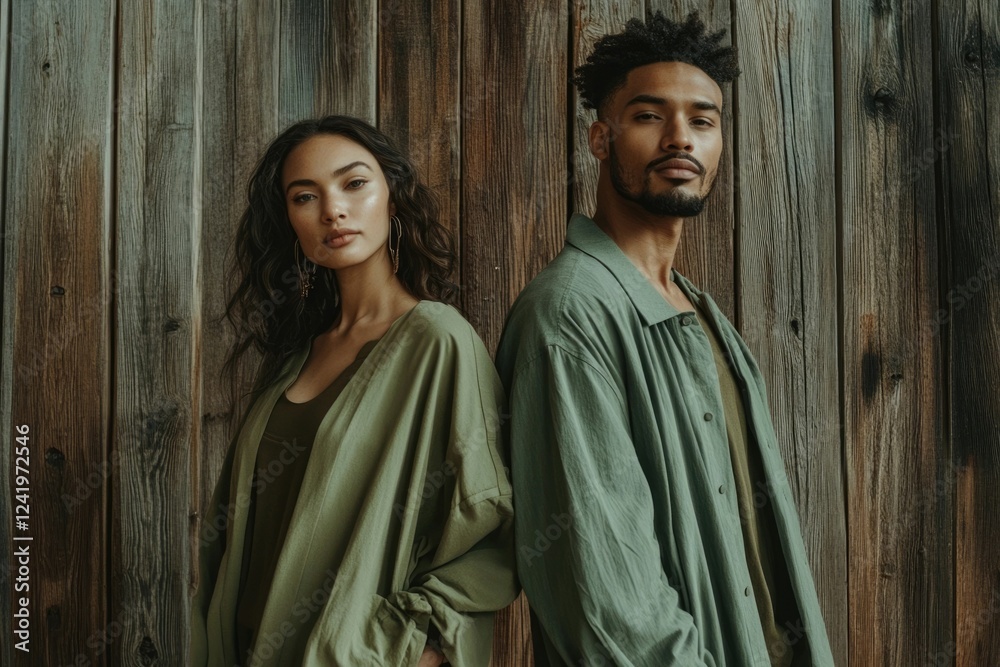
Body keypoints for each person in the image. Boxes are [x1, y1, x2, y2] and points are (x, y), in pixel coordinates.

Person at [495, 11, 834, 667]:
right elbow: (606, 596)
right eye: (650, 116)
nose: (681, 138)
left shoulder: (707, 318)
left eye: (703, 121)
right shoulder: (570, 315)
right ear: (601, 137)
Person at [190, 115, 517, 666]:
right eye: (304, 196)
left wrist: (417, 649)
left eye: (354, 183)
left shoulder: (437, 341)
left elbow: (489, 523)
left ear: (393, 197)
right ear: (290, 220)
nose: (332, 210)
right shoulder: (294, 360)